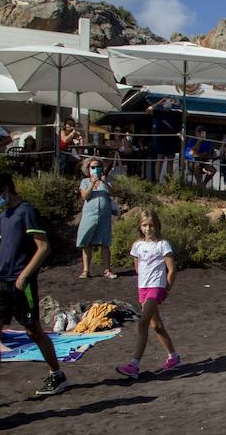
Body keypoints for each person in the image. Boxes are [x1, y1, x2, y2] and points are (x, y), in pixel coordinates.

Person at [0, 170, 69, 410]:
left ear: (6, 189)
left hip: (20, 283)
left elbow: (43, 247)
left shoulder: (26, 211)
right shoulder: (4, 215)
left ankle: (57, 374)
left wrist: (24, 276)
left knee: (33, 331)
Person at [116, 209, 181, 377]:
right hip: (143, 288)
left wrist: (165, 290)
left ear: (157, 226)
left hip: (156, 287)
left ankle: (134, 365)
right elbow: (138, 267)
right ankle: (173, 356)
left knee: (142, 323)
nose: (148, 229)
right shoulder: (137, 245)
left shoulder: (162, 244)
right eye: (144, 225)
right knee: (156, 325)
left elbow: (172, 269)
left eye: (151, 225)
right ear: (140, 227)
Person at [76, 157, 118, 279]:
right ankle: (85, 270)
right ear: (88, 169)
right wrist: (92, 183)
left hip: (104, 216)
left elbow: (114, 193)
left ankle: (107, 270)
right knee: (86, 242)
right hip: (89, 215)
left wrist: (103, 182)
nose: (95, 169)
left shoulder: (106, 181)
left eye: (98, 167)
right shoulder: (85, 181)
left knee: (104, 242)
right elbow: (85, 196)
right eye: (92, 167)